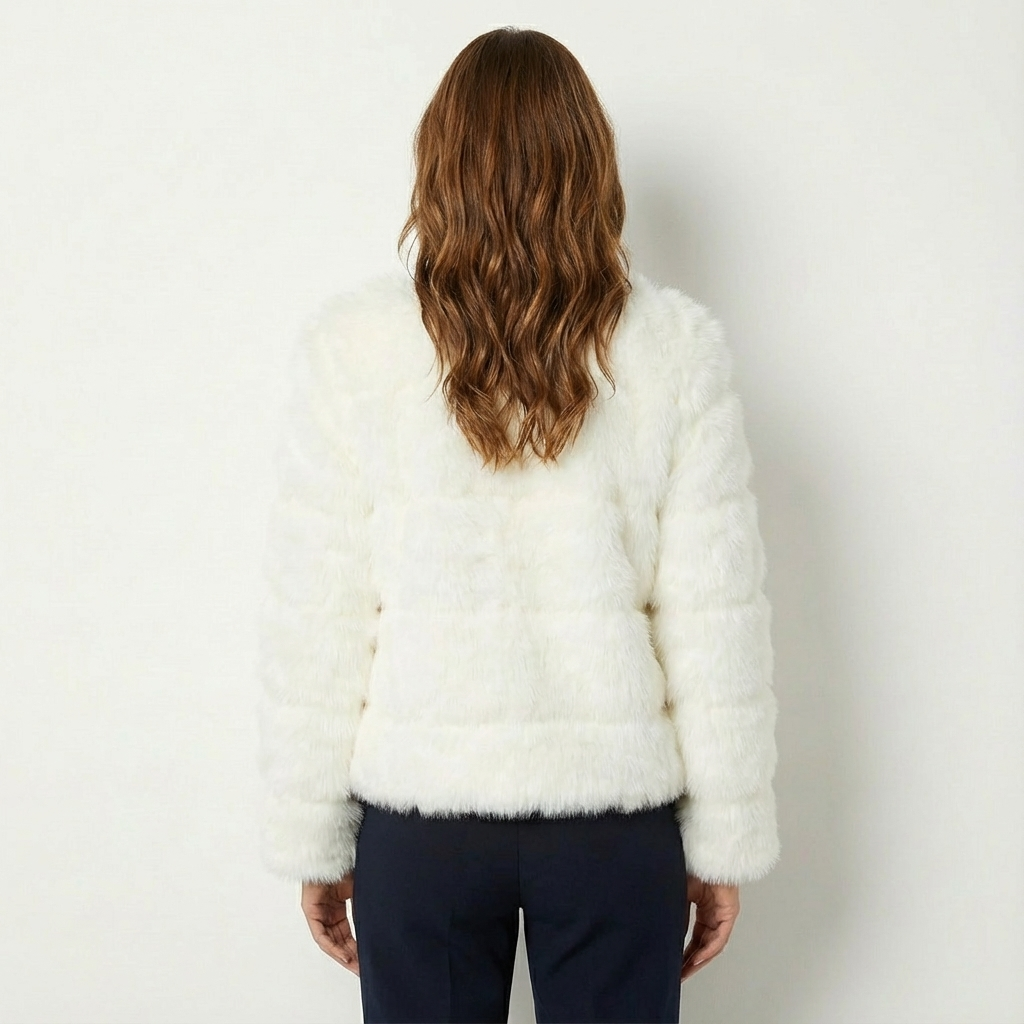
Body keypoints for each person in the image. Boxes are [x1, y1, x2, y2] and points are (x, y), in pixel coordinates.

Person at [256, 25, 780, 1024]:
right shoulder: (673, 352)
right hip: (612, 825)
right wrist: (722, 839)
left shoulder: (355, 350)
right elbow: (712, 621)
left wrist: (314, 835)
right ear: (590, 164)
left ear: (439, 164)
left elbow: (320, 615)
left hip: (422, 822)